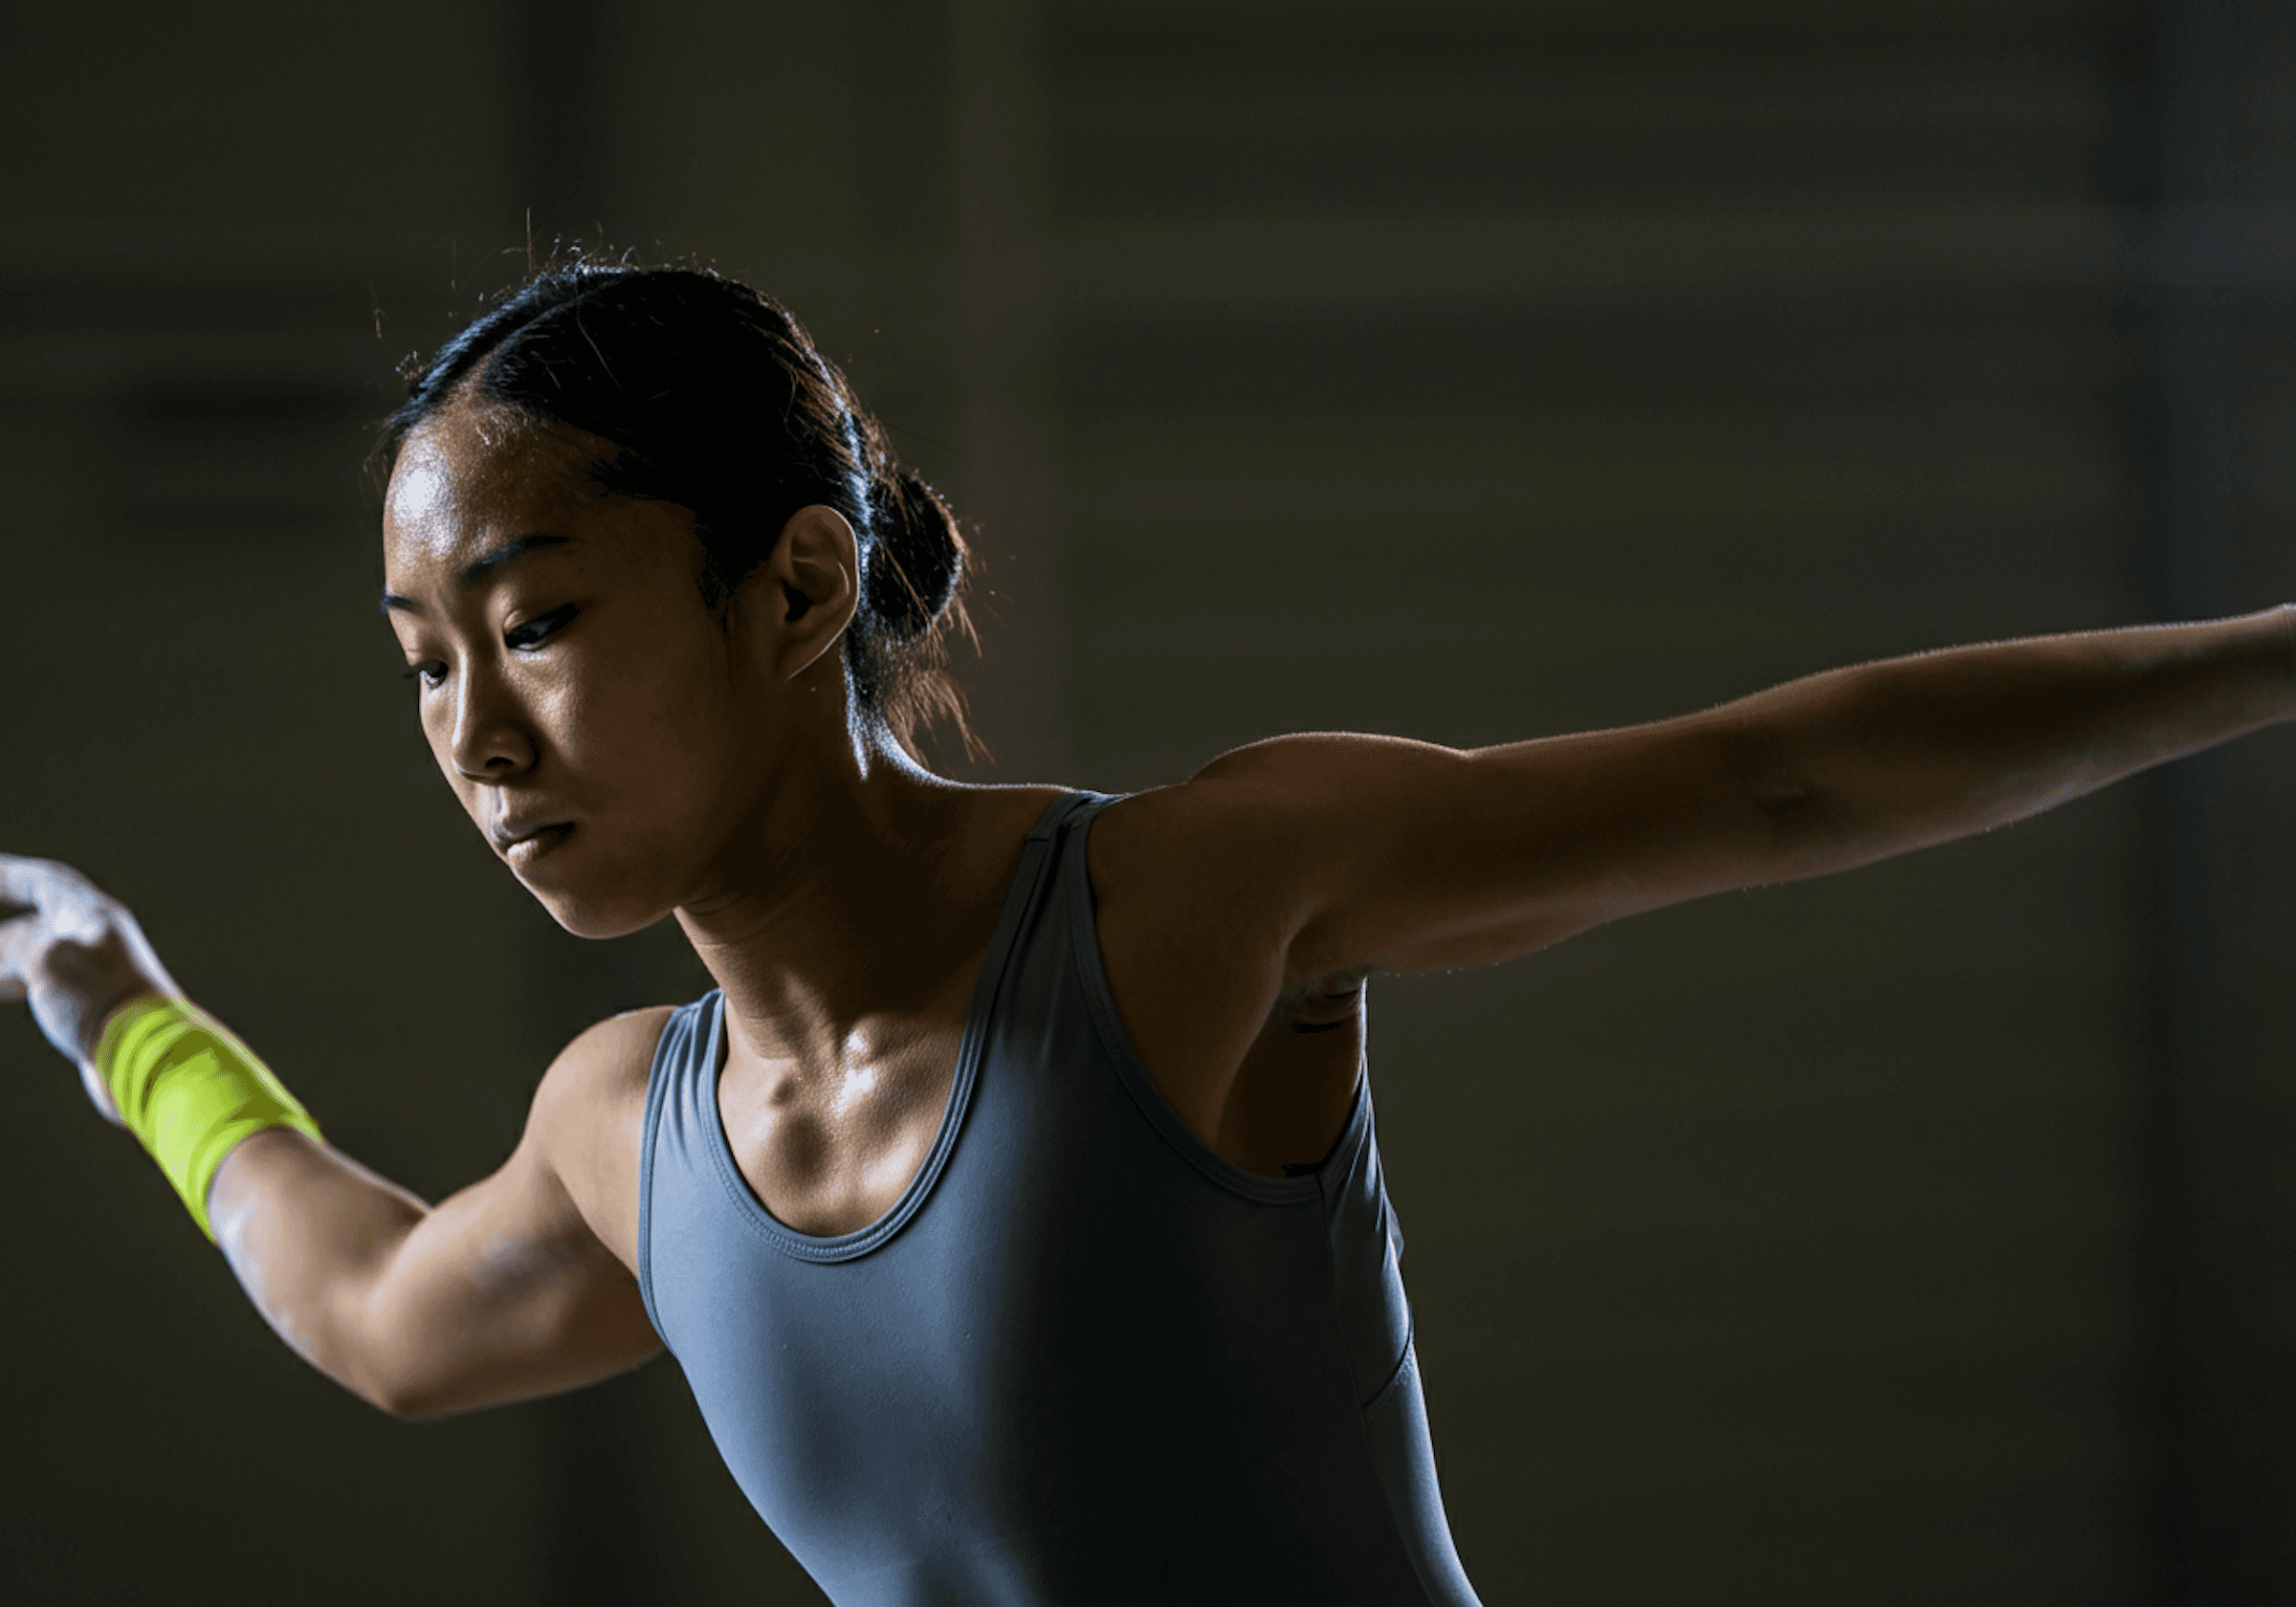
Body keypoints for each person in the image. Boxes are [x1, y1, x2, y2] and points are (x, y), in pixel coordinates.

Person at [2, 257, 2289, 1606]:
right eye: (421, 660)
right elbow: (380, 1311)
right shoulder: (629, 1130)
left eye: (537, 624)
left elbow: (1782, 772)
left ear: (795, 585)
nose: (476, 734)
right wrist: (109, 999)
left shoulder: (1175, 905)